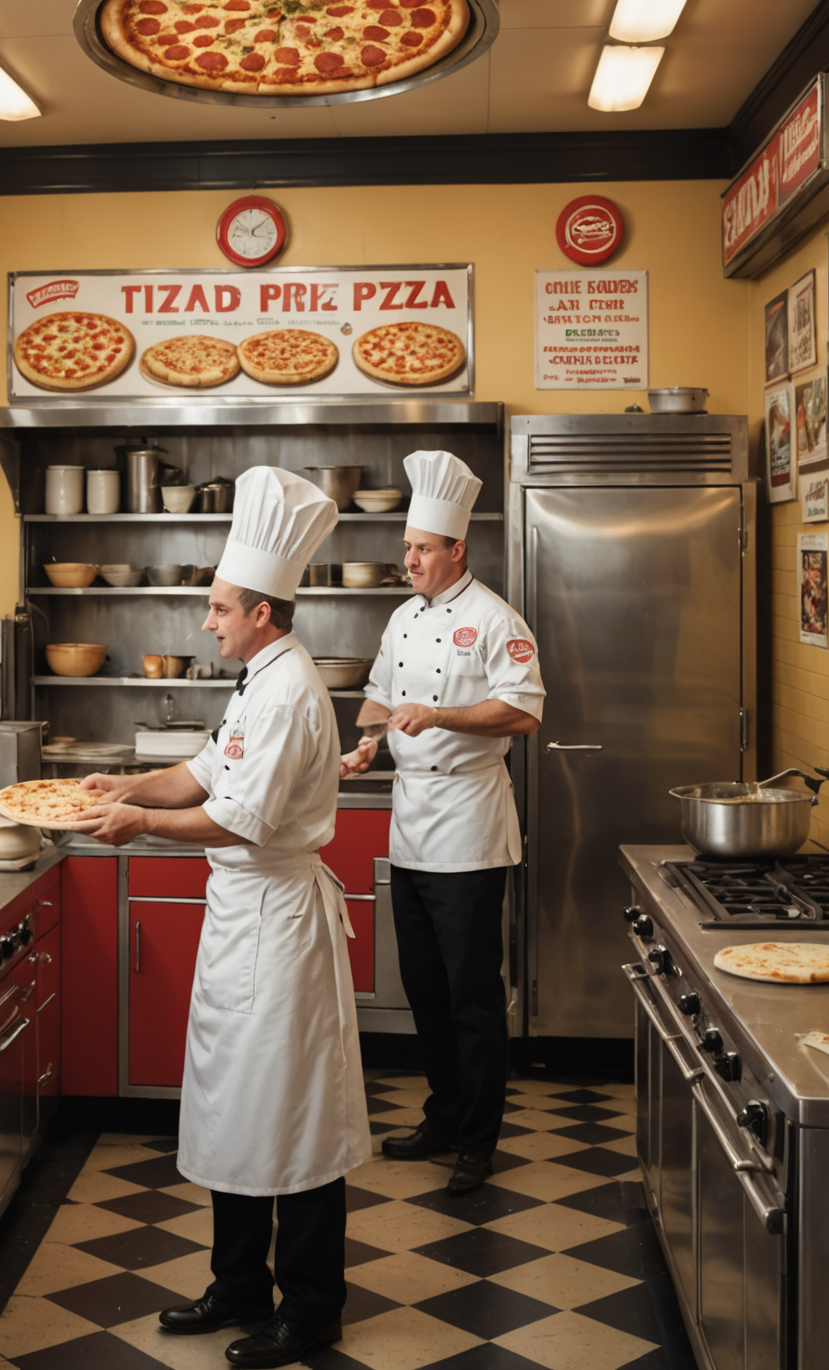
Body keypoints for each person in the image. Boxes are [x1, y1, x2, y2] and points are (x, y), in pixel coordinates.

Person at [73, 466, 369, 1370]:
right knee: (234, 1110)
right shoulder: (255, 681)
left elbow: (231, 818)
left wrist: (139, 825)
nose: (207, 621)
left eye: (219, 607)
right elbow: (201, 774)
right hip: (241, 918)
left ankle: (311, 1308)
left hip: (278, 923)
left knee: (295, 1117)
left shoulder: (287, 693)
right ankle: (239, 1285)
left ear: (264, 615)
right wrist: (125, 784)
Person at [340, 450, 545, 1195]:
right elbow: (376, 695)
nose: (410, 561)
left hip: (468, 824)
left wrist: (441, 715)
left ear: (458, 549)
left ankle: (479, 1141)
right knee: (425, 988)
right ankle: (444, 1115)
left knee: (472, 996)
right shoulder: (401, 618)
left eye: (423, 549)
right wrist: (365, 745)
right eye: (406, 549)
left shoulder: (496, 619)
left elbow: (522, 711)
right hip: (411, 825)